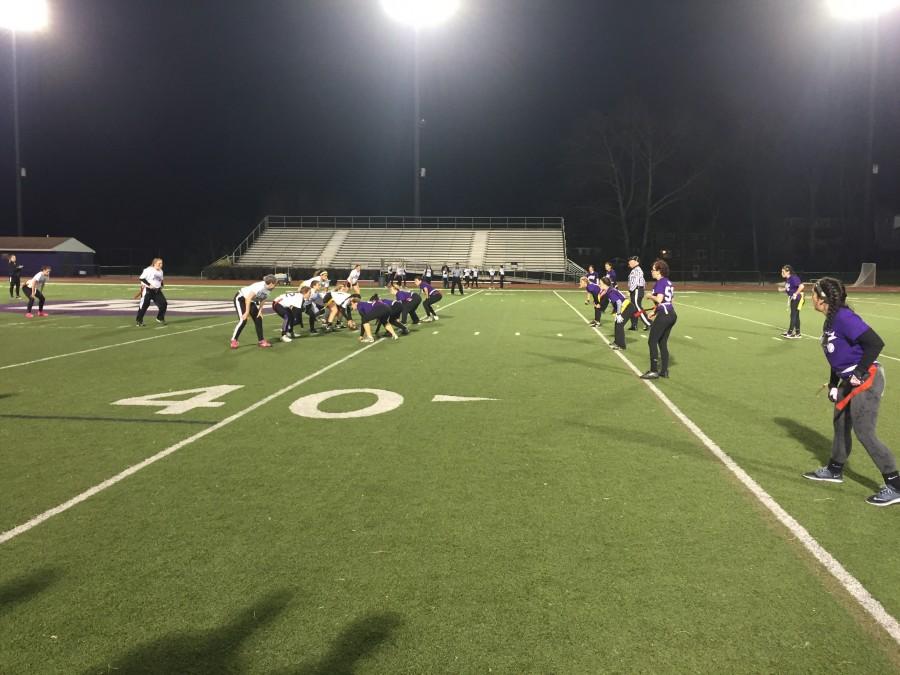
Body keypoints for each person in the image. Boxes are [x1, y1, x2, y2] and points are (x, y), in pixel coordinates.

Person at [802, 277, 900, 507]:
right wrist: (834, 384)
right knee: (840, 422)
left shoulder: (844, 317)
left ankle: (895, 484)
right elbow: (837, 358)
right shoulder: (830, 320)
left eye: (814, 293)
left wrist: (859, 373)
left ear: (822, 299)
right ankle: (835, 469)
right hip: (848, 379)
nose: (811, 297)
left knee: (865, 432)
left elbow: (875, 343)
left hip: (867, 380)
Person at [640, 260, 677, 380]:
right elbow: (670, 301)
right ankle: (664, 371)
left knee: (652, 341)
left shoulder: (660, 282)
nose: (651, 271)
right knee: (662, 342)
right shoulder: (668, 282)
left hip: (665, 315)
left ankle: (654, 371)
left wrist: (650, 296)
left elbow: (660, 299)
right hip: (671, 314)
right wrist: (655, 311)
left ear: (659, 271)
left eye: (653, 269)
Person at [231, 275, 276, 349]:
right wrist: (247, 312)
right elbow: (248, 299)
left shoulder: (269, 288)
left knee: (258, 318)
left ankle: (261, 341)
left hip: (251, 301)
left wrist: (260, 311)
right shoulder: (259, 287)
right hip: (241, 298)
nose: (276, 285)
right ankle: (234, 340)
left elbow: (263, 298)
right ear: (271, 283)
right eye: (275, 284)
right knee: (243, 320)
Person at [599, 275, 630, 350]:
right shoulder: (609, 290)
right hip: (623, 307)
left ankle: (622, 345)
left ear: (604, 284)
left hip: (627, 307)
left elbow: (619, 302)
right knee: (617, 324)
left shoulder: (610, 291)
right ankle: (617, 342)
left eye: (600, 283)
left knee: (619, 325)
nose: (599, 285)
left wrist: (618, 314)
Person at [135, 258, 168, 327]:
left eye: (161, 263)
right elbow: (141, 278)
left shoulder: (161, 271)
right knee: (144, 305)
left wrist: (161, 285)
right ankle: (139, 320)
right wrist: (149, 285)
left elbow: (161, 280)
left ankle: (160, 318)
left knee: (164, 303)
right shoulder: (148, 270)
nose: (161, 265)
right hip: (148, 290)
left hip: (157, 291)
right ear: (154, 263)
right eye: (159, 263)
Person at [626, 256, 652, 331]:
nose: (629, 263)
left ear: (636, 262)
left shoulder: (636, 270)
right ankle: (634, 325)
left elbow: (635, 282)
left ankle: (649, 323)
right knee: (634, 309)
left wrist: (630, 291)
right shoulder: (636, 270)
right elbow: (643, 281)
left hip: (636, 290)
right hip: (637, 290)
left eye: (631, 261)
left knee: (638, 308)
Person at [781, 264, 804, 339]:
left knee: (793, 315)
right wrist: (782, 289)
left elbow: (801, 286)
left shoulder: (793, 278)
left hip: (797, 298)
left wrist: (795, 294)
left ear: (788, 272)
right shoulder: (789, 279)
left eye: (783, 272)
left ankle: (790, 332)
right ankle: (798, 333)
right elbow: (790, 288)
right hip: (794, 298)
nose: (782, 273)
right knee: (796, 316)